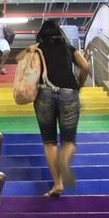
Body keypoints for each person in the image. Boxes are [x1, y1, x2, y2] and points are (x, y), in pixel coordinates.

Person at [31, 20, 89, 197]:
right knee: (69, 140)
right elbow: (85, 66)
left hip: (44, 93)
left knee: (49, 142)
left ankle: (57, 184)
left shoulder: (36, 49)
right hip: (69, 92)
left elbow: (29, 71)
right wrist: (79, 85)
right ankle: (64, 160)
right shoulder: (68, 48)